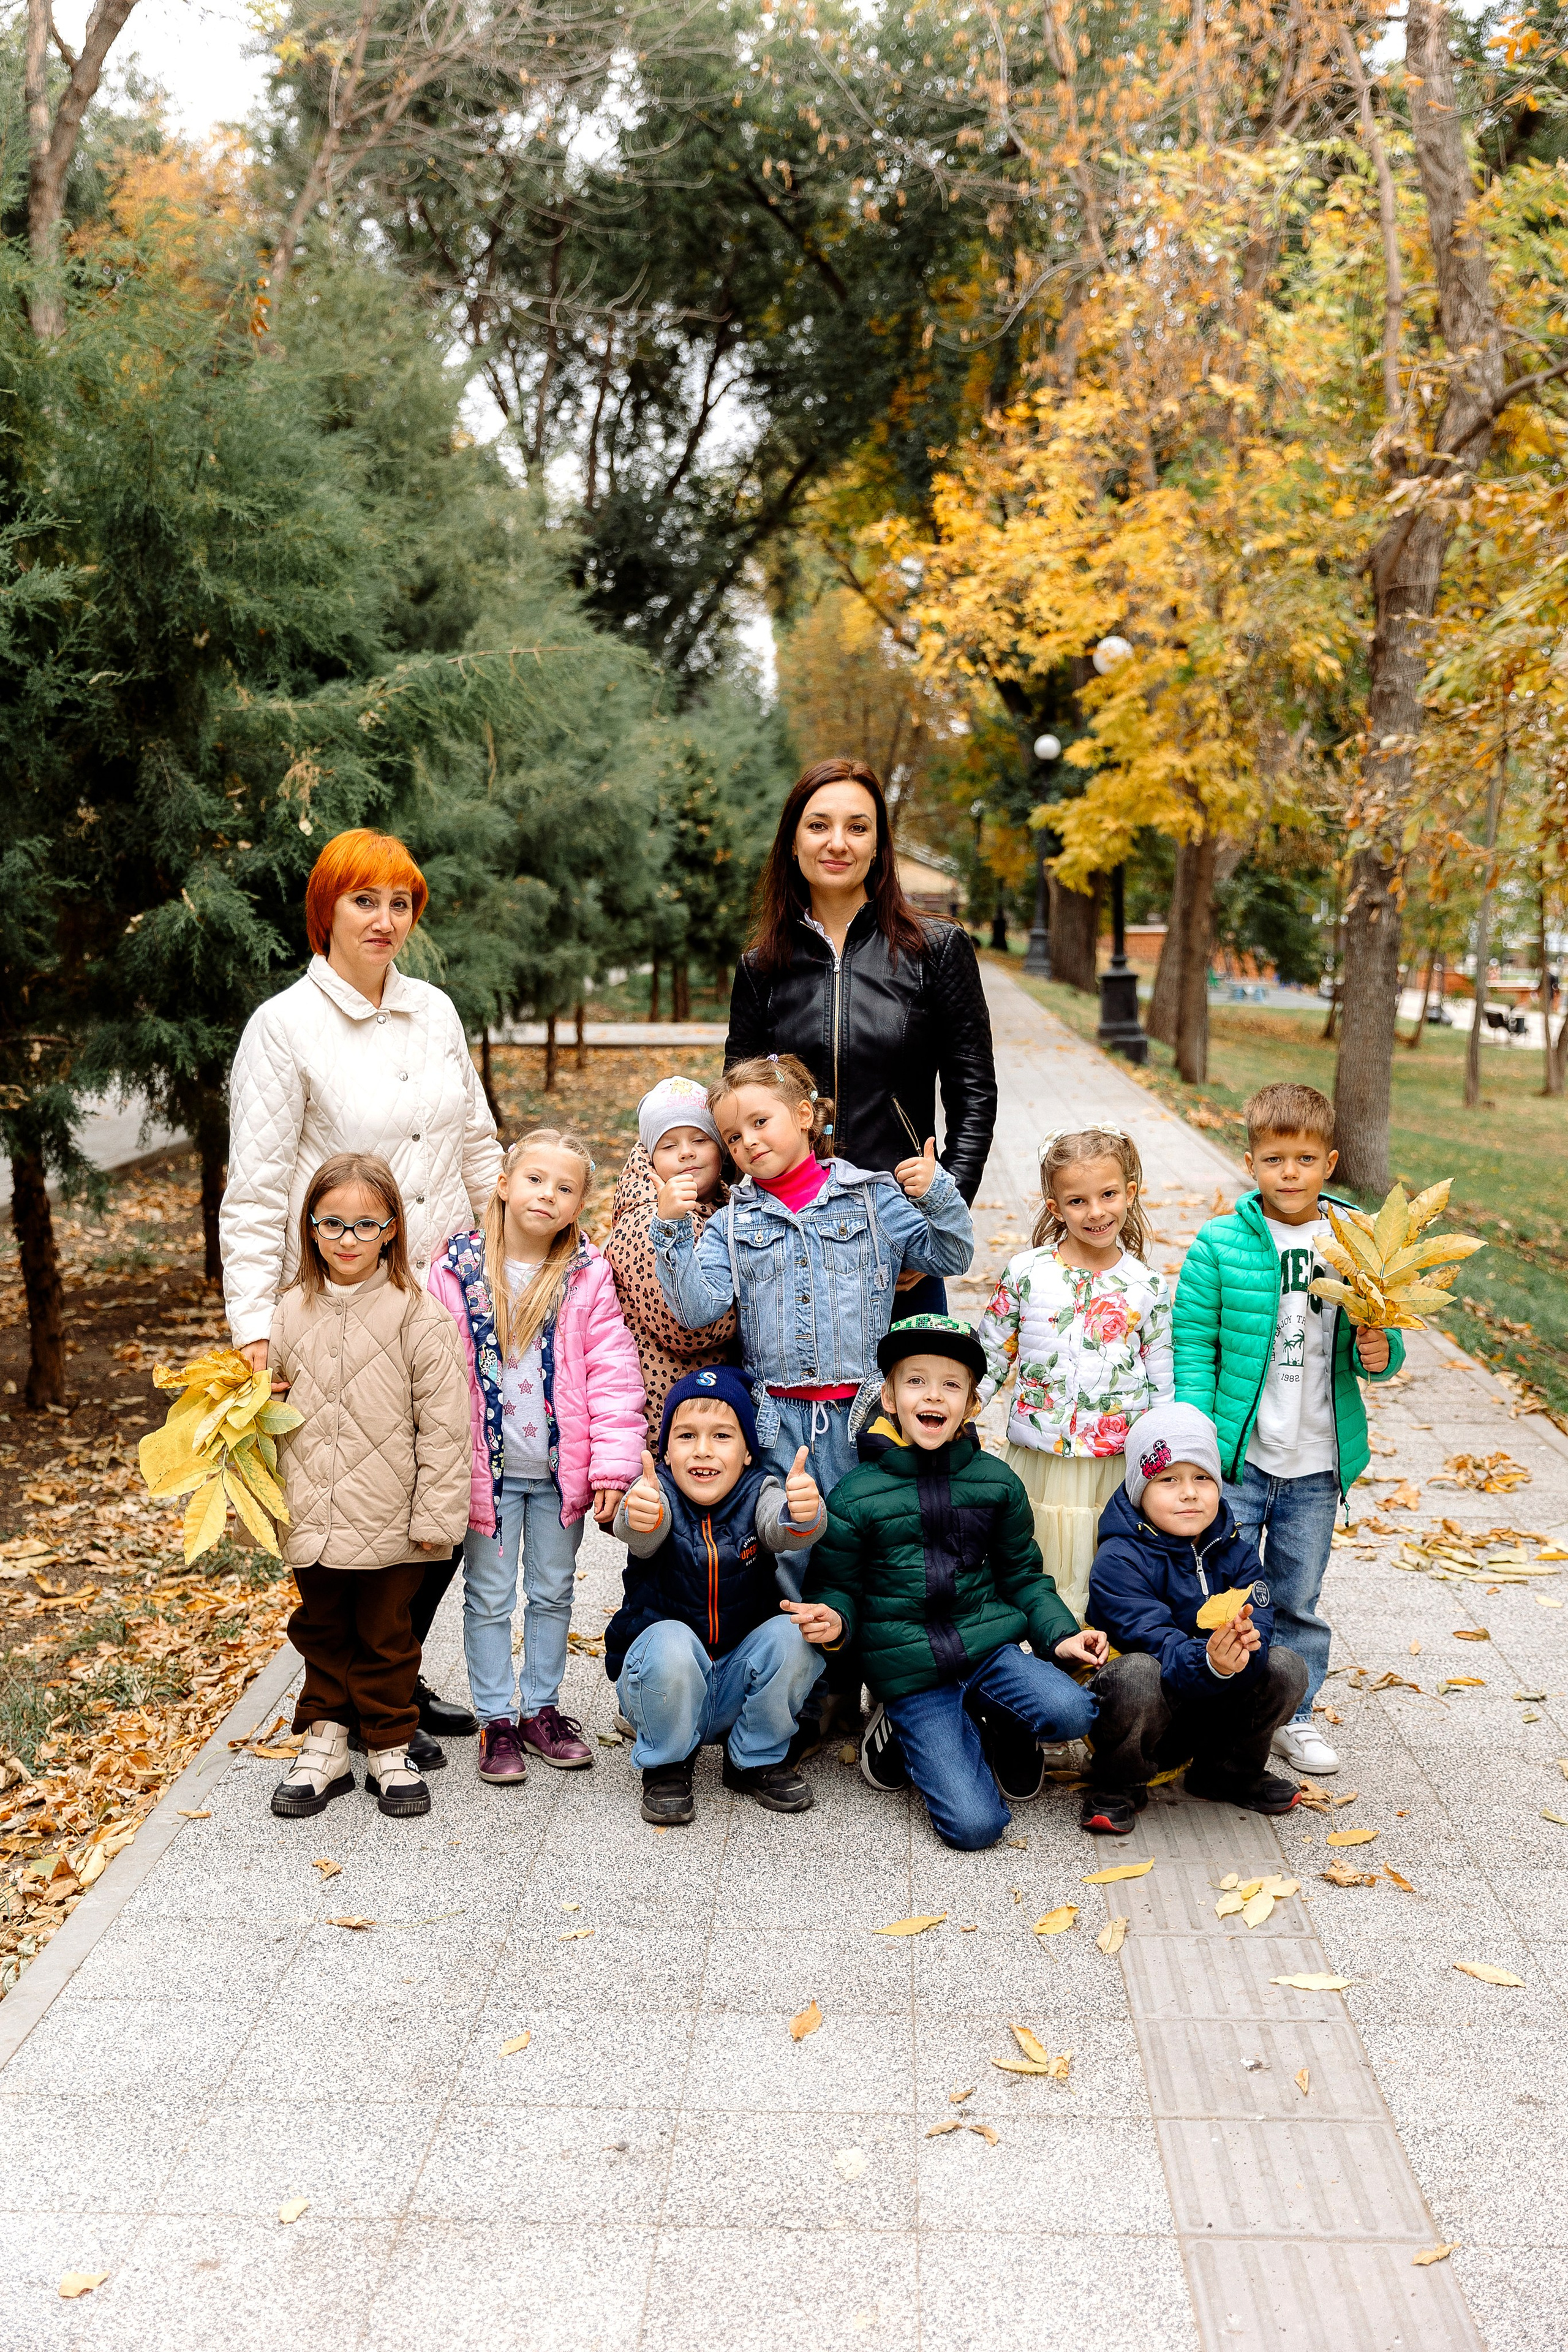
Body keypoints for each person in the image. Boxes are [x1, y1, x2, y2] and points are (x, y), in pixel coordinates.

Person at [222, 827, 502, 1763]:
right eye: (364, 901)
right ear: (326, 910)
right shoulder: (284, 1027)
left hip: (445, 1297)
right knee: (351, 1509)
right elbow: (258, 1190)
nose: (385, 921)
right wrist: (256, 1330)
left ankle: (394, 1677)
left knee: (445, 1493)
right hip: (340, 1307)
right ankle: (351, 1703)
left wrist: (508, 1259)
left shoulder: (435, 1011)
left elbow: (478, 1142)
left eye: (400, 903)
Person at [787, 1317, 1106, 1852]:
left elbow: (1023, 1575)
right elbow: (836, 1585)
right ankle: (890, 1731)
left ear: (972, 1405)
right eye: (915, 1381)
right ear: (888, 1397)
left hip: (987, 1652)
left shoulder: (997, 1482)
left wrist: (1061, 1635)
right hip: (911, 1672)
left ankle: (1000, 1725)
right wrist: (834, 1619)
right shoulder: (855, 1494)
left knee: (1073, 1711)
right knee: (975, 1828)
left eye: (951, 1384)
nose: (932, 1394)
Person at [1172, 1082, 1401, 1779]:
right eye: (1275, 1160)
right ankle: (1208, 1704)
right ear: (1251, 1161)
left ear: (1329, 1161)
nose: (1290, 1174)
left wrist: (1379, 1351)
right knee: (1221, 1588)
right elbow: (1192, 1342)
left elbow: (1384, 1342)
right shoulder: (1219, 1243)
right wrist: (1198, 1440)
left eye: (1304, 1159)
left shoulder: (1354, 1240)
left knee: (1297, 1597)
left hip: (1317, 1461)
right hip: (1239, 1458)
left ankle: (1291, 1717)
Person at [725, 757, 996, 1314]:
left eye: (858, 827)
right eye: (819, 825)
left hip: (900, 1238)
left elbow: (974, 1099)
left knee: (909, 1402)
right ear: (793, 844)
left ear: (878, 846)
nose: (837, 843)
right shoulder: (761, 967)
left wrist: (941, 1220)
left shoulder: (937, 950)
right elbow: (736, 1109)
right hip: (790, 1239)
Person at [650, 1053, 973, 1506]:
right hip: (775, 1424)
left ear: (804, 1115)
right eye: (734, 1137)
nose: (750, 1142)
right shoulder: (731, 1222)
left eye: (761, 1121)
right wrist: (672, 1232)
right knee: (788, 1550)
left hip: (864, 1418)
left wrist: (938, 1191)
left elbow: (951, 1256)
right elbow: (695, 1310)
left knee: (859, 1547)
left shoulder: (871, 1197)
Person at [430, 1129, 646, 1784]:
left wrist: (612, 1467)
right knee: (490, 1597)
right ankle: (496, 1719)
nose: (547, 1195)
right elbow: (435, 1372)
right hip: (485, 1478)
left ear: (580, 1204)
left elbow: (613, 1373)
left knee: (552, 1593)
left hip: (558, 1478)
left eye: (564, 1187)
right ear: (503, 1183)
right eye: (534, 1180)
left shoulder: (586, 1275)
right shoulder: (456, 1270)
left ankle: (541, 1710)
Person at [267, 1153, 471, 1823]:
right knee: (322, 1627)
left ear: (390, 1230)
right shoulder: (289, 1312)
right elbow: (265, 1416)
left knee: (386, 1635)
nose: (346, 1239)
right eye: (331, 1223)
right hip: (313, 1511)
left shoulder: (419, 1316)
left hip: (393, 1517)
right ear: (311, 1227)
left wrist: (438, 1515)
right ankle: (325, 1742)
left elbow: (444, 1427)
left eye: (364, 1225)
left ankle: (387, 1745)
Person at [607, 1366, 827, 1825]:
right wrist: (637, 1513)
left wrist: (802, 1514)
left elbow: (781, 1526)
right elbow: (641, 1529)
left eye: (722, 1436)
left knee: (798, 1634)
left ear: (748, 1451)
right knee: (669, 1640)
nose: (703, 1450)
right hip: (662, 1682)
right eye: (686, 1436)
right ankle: (666, 1763)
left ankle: (754, 1757)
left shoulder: (760, 1490)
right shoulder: (656, 1491)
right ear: (665, 1450)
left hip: (732, 1682)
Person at [976, 1123, 1172, 1624]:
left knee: (1097, 1569)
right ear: (1054, 1206)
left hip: (1110, 1462)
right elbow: (993, 1351)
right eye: (1078, 1201)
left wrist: (1164, 1450)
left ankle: (1094, 1670)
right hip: (1039, 1456)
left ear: (1130, 1193)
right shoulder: (1027, 1273)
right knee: (1033, 1562)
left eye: (1108, 1195)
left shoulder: (1146, 1286)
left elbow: (1160, 1377)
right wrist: (964, 1407)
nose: (1096, 1212)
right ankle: (1036, 1667)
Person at [1084, 1402, 1307, 1830]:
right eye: (1168, 1480)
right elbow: (1153, 1639)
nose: (1190, 1493)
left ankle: (1226, 1773)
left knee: (1286, 1666)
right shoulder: (1120, 1558)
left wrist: (1241, 1651)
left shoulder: (1236, 1552)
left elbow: (1259, 1618)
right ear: (1139, 1490)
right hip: (1148, 1710)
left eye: (1202, 1478)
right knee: (1135, 1674)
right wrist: (1209, 1661)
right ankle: (1119, 1782)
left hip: (1214, 1704)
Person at [604, 1076, 737, 1431]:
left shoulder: (726, 1209)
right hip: (662, 1412)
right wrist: (759, 1300)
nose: (686, 1153)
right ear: (649, 1156)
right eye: (668, 1146)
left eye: (700, 1139)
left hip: (711, 1412)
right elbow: (684, 1329)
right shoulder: (645, 1220)